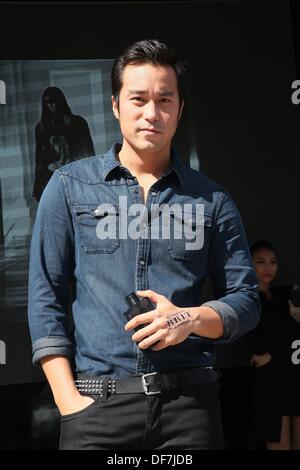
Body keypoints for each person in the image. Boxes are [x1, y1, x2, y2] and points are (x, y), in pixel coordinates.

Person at [28, 39, 260, 450]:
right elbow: (45, 297)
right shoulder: (68, 188)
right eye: (138, 99)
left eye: (164, 100)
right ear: (116, 104)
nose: (152, 113)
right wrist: (69, 402)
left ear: (180, 109)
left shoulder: (212, 200)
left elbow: (244, 299)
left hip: (188, 407)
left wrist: (190, 319)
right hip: (96, 407)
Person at [246, 240, 300, 450]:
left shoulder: (284, 296)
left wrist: (273, 354)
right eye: (260, 262)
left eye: (272, 262)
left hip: (293, 378)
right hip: (270, 385)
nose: (268, 267)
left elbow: (293, 339)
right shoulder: (249, 301)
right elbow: (258, 342)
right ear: (250, 265)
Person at [32, 86, 95, 201]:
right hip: (51, 180)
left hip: (75, 178)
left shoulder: (78, 123)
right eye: (48, 103)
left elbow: (88, 154)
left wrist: (90, 182)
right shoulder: (41, 128)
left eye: (54, 101)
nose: (52, 105)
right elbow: (39, 159)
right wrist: (38, 188)